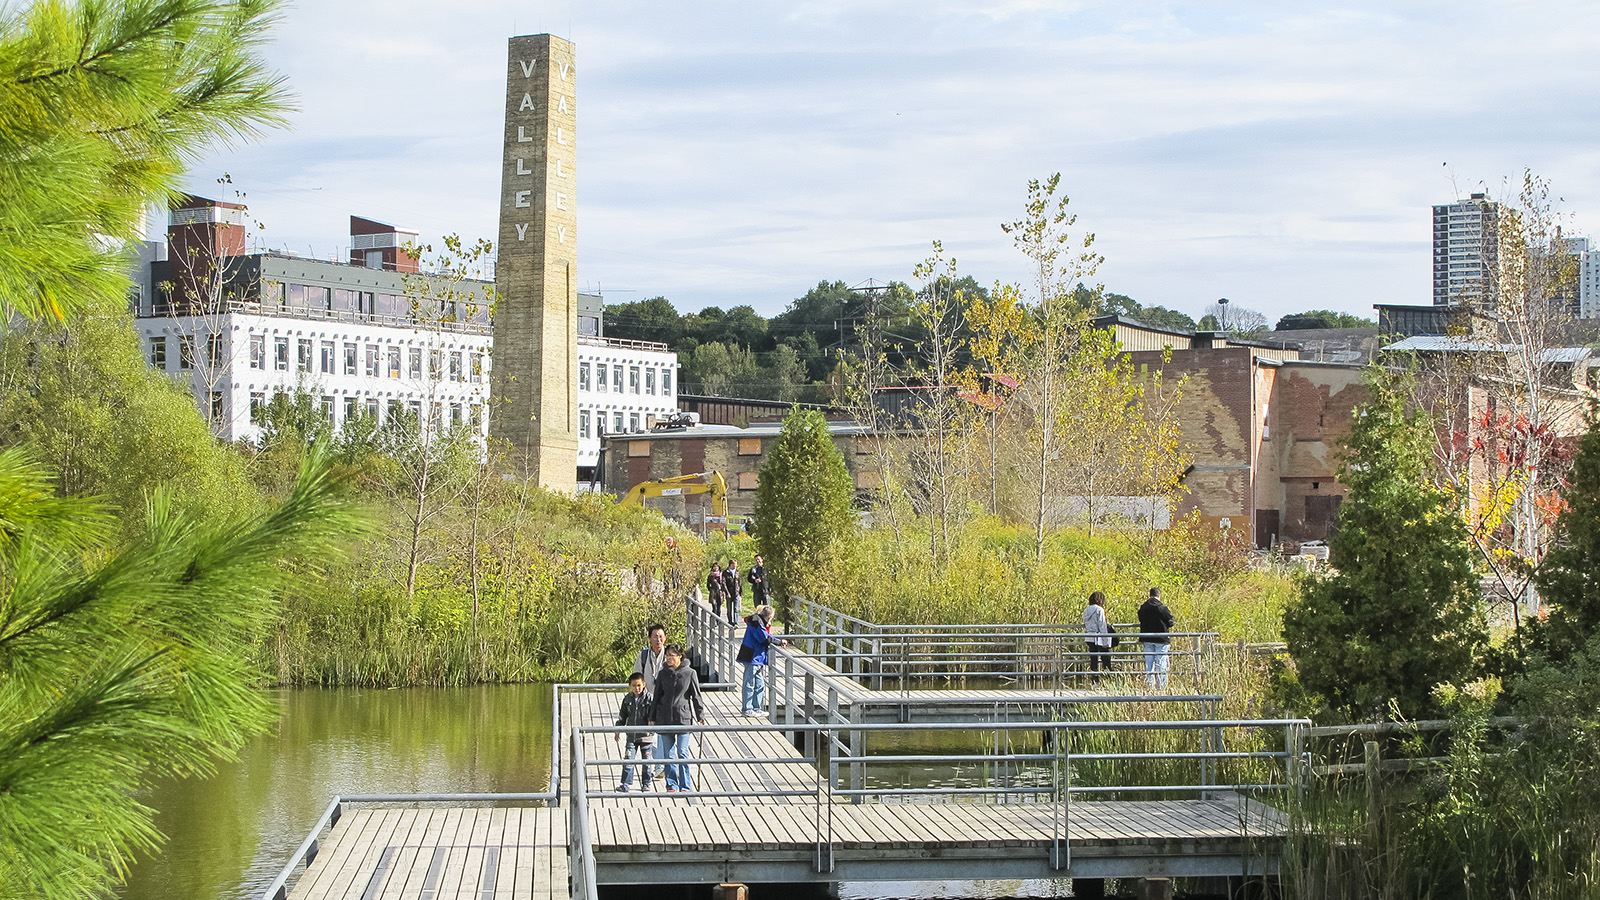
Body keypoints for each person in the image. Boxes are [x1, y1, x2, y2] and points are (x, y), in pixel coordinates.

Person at [648, 644, 706, 793]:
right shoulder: (662, 674)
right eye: (667, 655)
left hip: (683, 718)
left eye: (671, 655)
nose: (668, 658)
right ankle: (671, 785)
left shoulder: (690, 673)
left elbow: (696, 696)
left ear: (680, 656)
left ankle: (685, 786)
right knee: (668, 755)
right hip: (665, 718)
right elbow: (657, 697)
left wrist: (700, 715)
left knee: (682, 752)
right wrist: (652, 716)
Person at [738, 605, 786, 716]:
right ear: (769, 617)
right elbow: (764, 639)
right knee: (749, 683)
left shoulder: (758, 622)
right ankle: (747, 709)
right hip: (752, 656)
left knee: (759, 683)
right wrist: (779, 642)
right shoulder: (757, 624)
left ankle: (756, 707)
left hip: (757, 657)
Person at [613, 672, 655, 792]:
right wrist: (618, 729)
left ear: (644, 685)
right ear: (630, 686)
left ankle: (646, 783)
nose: (637, 688)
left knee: (646, 761)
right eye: (634, 686)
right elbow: (623, 716)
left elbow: (654, 713)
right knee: (628, 759)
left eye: (639, 685)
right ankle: (626, 783)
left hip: (646, 736)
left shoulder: (649, 698)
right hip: (631, 735)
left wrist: (653, 722)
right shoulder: (627, 699)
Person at [1138, 587, 1176, 690]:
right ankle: (1161, 686)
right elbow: (1170, 621)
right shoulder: (1162, 608)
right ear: (1159, 596)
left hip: (1147, 638)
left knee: (1149, 663)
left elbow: (1140, 619)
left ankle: (1150, 686)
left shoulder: (1143, 607)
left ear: (1150, 595)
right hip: (1161, 639)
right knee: (1161, 662)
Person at [1082, 591, 1113, 686]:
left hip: (1089, 637)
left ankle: (1095, 681)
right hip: (1098, 637)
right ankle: (1109, 680)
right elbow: (1102, 625)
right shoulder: (1099, 610)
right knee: (1106, 659)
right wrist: (1105, 640)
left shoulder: (1086, 610)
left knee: (1093, 660)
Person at [722, 559, 742, 625]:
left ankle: (736, 622)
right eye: (735, 564)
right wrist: (727, 593)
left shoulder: (737, 572)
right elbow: (724, 583)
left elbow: (739, 583)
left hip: (736, 593)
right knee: (729, 609)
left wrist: (740, 593)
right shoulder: (725, 572)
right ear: (731, 564)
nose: (736, 565)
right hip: (729, 593)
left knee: (736, 608)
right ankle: (730, 621)